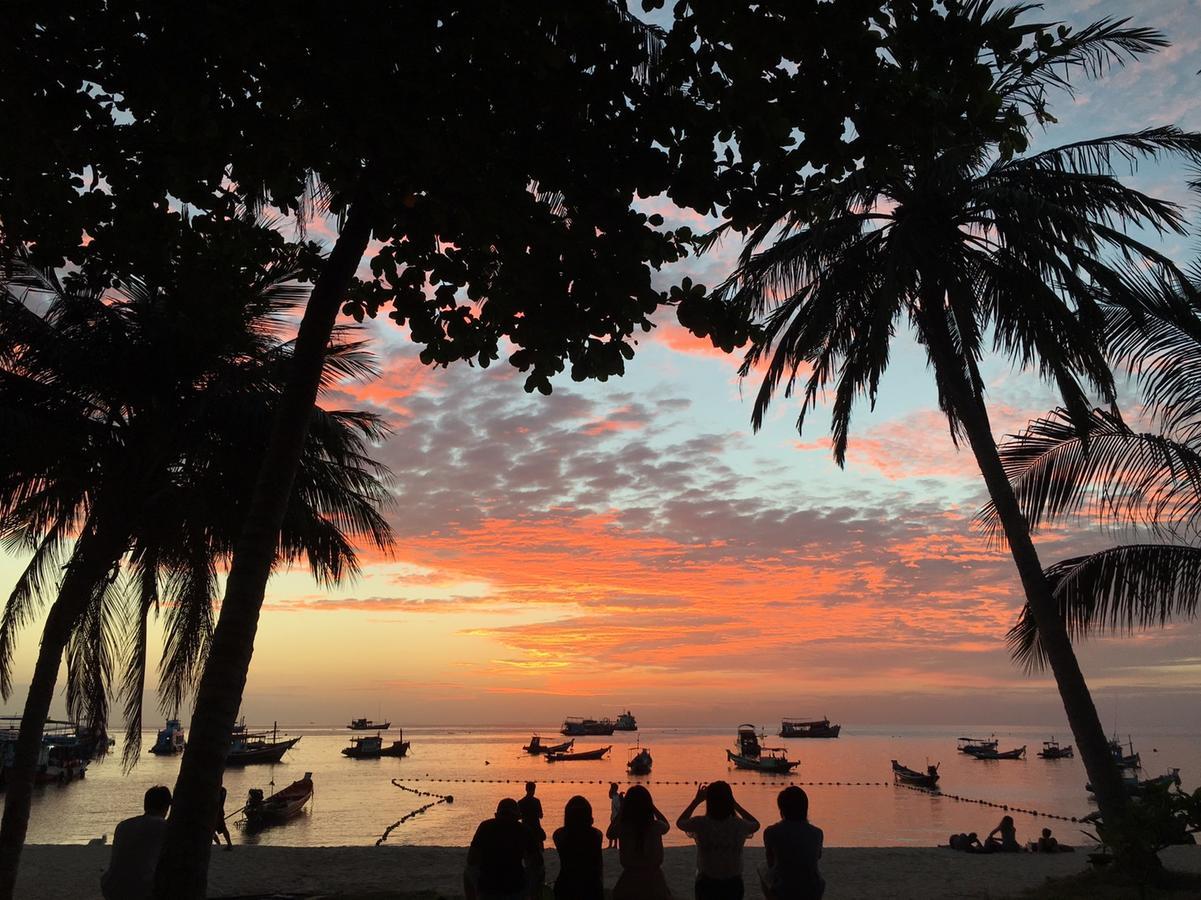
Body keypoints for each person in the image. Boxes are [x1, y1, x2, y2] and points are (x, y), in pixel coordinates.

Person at [677, 781, 760, 900]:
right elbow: (756, 824)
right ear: (729, 800)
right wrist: (735, 805)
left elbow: (680, 822)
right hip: (733, 882)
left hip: (706, 882)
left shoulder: (701, 823)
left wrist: (696, 801)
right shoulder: (738, 825)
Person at [101, 785, 171, 900]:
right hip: (140, 891)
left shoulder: (123, 825)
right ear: (166, 807)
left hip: (111, 889)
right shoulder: (163, 826)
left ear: (145, 804)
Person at [465, 798, 540, 900]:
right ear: (517, 816)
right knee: (537, 871)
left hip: (488, 886)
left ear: (497, 814)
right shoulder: (523, 829)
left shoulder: (485, 826)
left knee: (467, 872)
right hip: (516, 886)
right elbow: (536, 862)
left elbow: (471, 858)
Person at [608, 784, 672, 900]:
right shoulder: (655, 826)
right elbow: (666, 825)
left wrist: (622, 809)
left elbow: (610, 833)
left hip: (629, 879)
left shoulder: (624, 827)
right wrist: (652, 807)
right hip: (654, 880)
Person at [759, 786, 824, 900]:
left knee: (761, 868)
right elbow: (817, 857)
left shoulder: (771, 832)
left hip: (784, 891)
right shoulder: (817, 833)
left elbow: (770, 862)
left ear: (782, 809)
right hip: (813, 891)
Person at [552, 795, 603, 900]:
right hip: (591, 885)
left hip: (566, 884)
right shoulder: (596, 835)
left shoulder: (559, 835)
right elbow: (599, 864)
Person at [517, 782, 546, 899]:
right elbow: (541, 815)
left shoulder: (520, 802)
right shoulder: (536, 801)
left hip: (525, 829)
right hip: (536, 828)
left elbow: (518, 817)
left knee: (526, 853)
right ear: (534, 790)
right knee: (539, 852)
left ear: (526, 789)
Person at [213, 784, 233, 851]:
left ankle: (222, 844)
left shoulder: (219, 791)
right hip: (219, 812)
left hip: (216, 813)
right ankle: (223, 844)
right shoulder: (223, 790)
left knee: (212, 829)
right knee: (220, 828)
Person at [607, 782, 623, 849]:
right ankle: (613, 845)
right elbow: (610, 796)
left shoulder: (616, 797)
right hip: (614, 816)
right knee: (614, 830)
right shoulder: (615, 796)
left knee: (613, 830)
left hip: (615, 816)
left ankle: (613, 845)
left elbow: (618, 807)